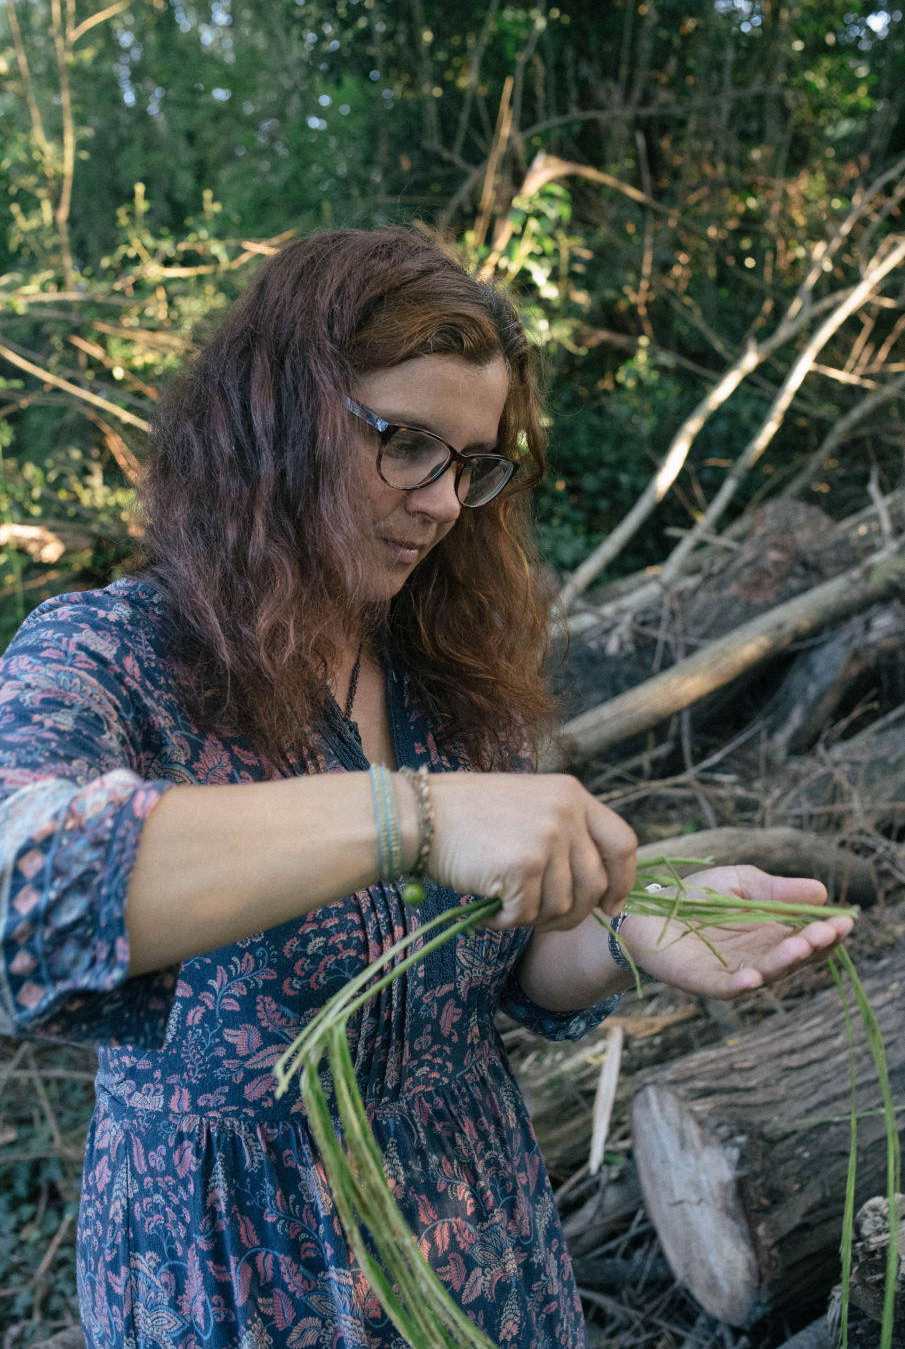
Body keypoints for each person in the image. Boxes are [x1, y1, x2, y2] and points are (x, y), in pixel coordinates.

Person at [0, 227, 852, 1349]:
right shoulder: (113, 656)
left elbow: (506, 965)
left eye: (471, 462)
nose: (445, 502)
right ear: (271, 415)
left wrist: (627, 928)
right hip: (241, 1284)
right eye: (404, 444)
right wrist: (417, 814)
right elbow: (24, 882)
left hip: (479, 1249)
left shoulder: (444, 670)